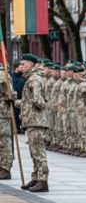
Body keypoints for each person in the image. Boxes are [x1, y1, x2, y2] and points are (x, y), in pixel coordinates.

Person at [17, 54, 48, 192]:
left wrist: (36, 107)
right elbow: (28, 101)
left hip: (36, 120)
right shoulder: (30, 78)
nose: (21, 66)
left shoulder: (34, 79)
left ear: (31, 64)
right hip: (31, 120)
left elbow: (38, 101)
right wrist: (16, 102)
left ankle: (43, 180)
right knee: (33, 151)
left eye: (23, 64)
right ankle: (36, 177)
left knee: (38, 152)